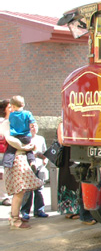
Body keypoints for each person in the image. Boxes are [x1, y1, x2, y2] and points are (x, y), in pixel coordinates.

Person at [1, 101, 43, 230]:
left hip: (21, 156)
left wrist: (31, 145)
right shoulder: (7, 123)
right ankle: (14, 219)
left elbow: (30, 134)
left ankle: (14, 216)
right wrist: (25, 147)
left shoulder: (17, 122)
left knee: (20, 190)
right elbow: (10, 140)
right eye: (10, 107)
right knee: (19, 190)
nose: (14, 109)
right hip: (16, 158)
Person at [57, 120, 96, 225]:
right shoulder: (62, 125)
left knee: (77, 184)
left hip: (78, 154)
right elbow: (62, 141)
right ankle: (70, 211)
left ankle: (78, 211)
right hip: (68, 156)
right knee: (69, 183)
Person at [20, 122, 49, 219]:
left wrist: (45, 159)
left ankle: (39, 210)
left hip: (40, 167)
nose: (34, 128)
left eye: (35, 126)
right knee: (28, 191)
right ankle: (25, 211)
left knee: (39, 190)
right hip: (28, 168)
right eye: (32, 127)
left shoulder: (41, 139)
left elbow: (45, 153)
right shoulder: (25, 139)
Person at [3, 96, 36, 172]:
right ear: (23, 104)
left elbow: (9, 122)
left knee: (10, 151)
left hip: (15, 136)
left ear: (13, 106)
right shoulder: (28, 113)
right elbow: (32, 124)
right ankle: (32, 162)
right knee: (29, 151)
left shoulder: (12, 115)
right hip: (26, 136)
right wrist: (32, 127)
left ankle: (7, 164)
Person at [0, 99, 12, 206]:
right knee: (2, 173)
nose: (11, 109)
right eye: (9, 107)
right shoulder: (2, 121)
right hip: (2, 150)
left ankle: (5, 196)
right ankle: (4, 197)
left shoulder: (12, 121)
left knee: (5, 173)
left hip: (8, 150)